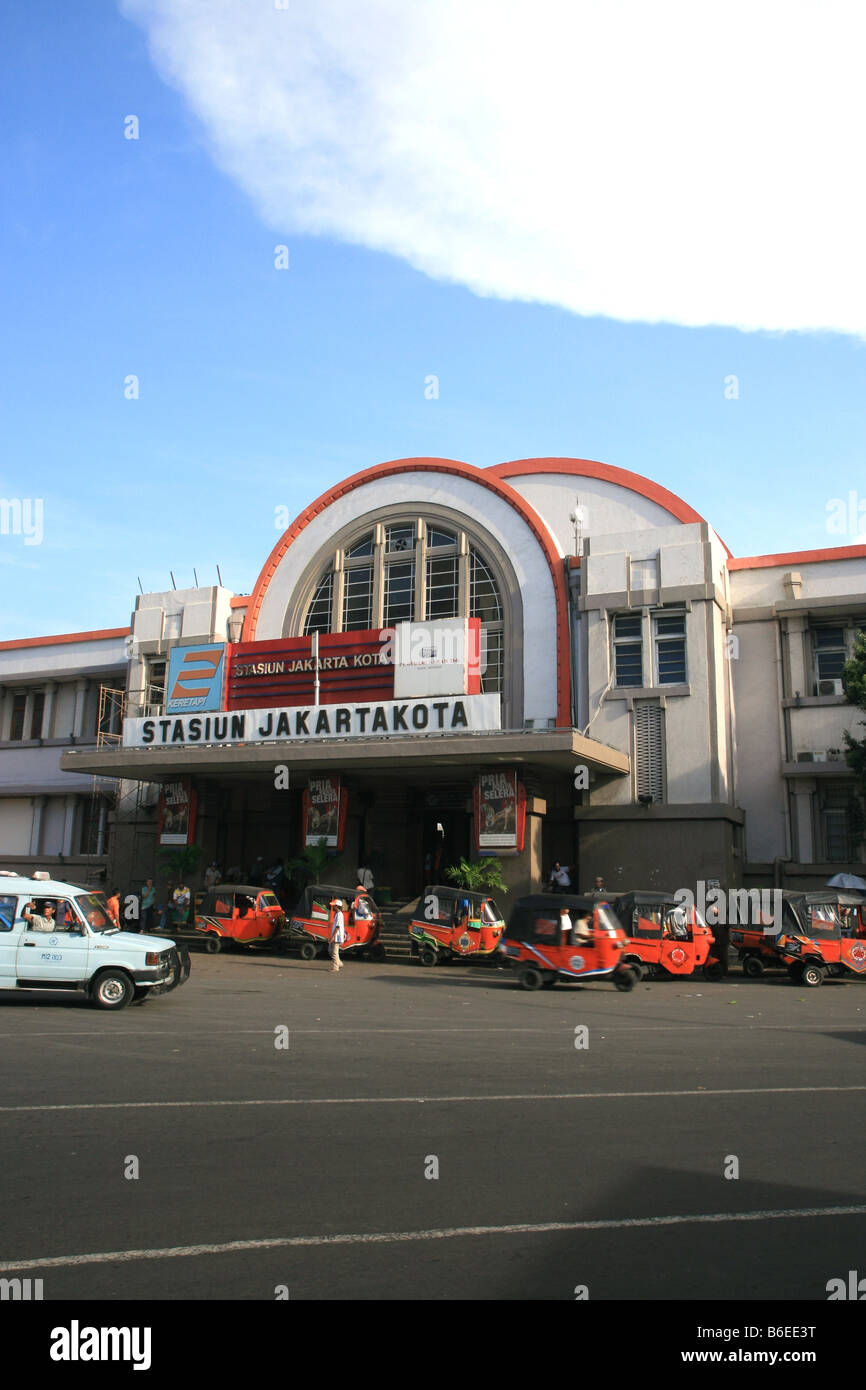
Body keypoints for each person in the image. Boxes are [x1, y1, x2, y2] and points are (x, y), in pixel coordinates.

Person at [329, 897, 347, 972]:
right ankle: (339, 963)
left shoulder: (339, 914)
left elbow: (337, 926)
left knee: (334, 952)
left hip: (337, 936)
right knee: (332, 950)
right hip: (336, 936)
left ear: (337, 906)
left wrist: (333, 936)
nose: (332, 907)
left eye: (334, 906)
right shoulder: (338, 914)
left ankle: (335, 967)